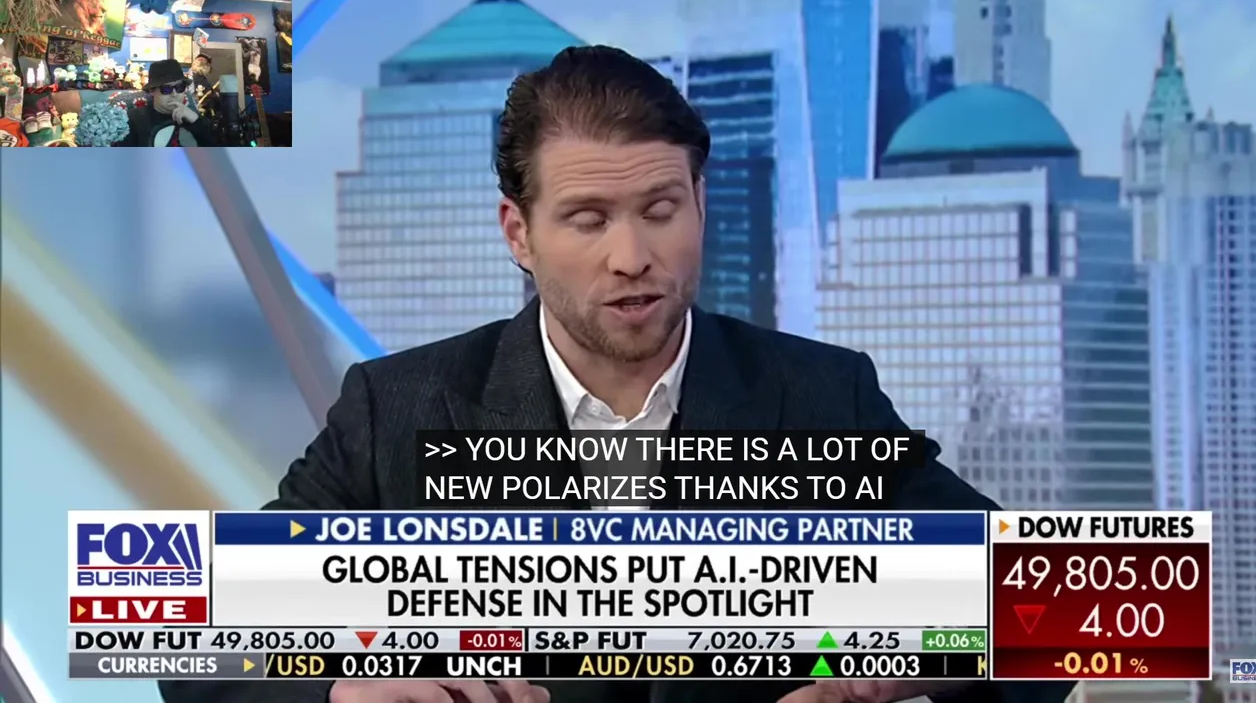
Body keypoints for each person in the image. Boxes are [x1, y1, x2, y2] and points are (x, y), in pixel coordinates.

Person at [159, 46, 1076, 703]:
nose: (633, 256)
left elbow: (1055, 607)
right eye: (589, 219)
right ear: (518, 233)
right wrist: (344, 688)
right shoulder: (396, 413)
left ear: (701, 203)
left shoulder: (821, 399)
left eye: (660, 209)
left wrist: (898, 663)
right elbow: (199, 633)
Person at [122, 58, 214, 147]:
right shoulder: (134, 120)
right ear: (152, 90)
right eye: (166, 89)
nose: (174, 94)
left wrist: (196, 121)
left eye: (180, 87)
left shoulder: (193, 117)